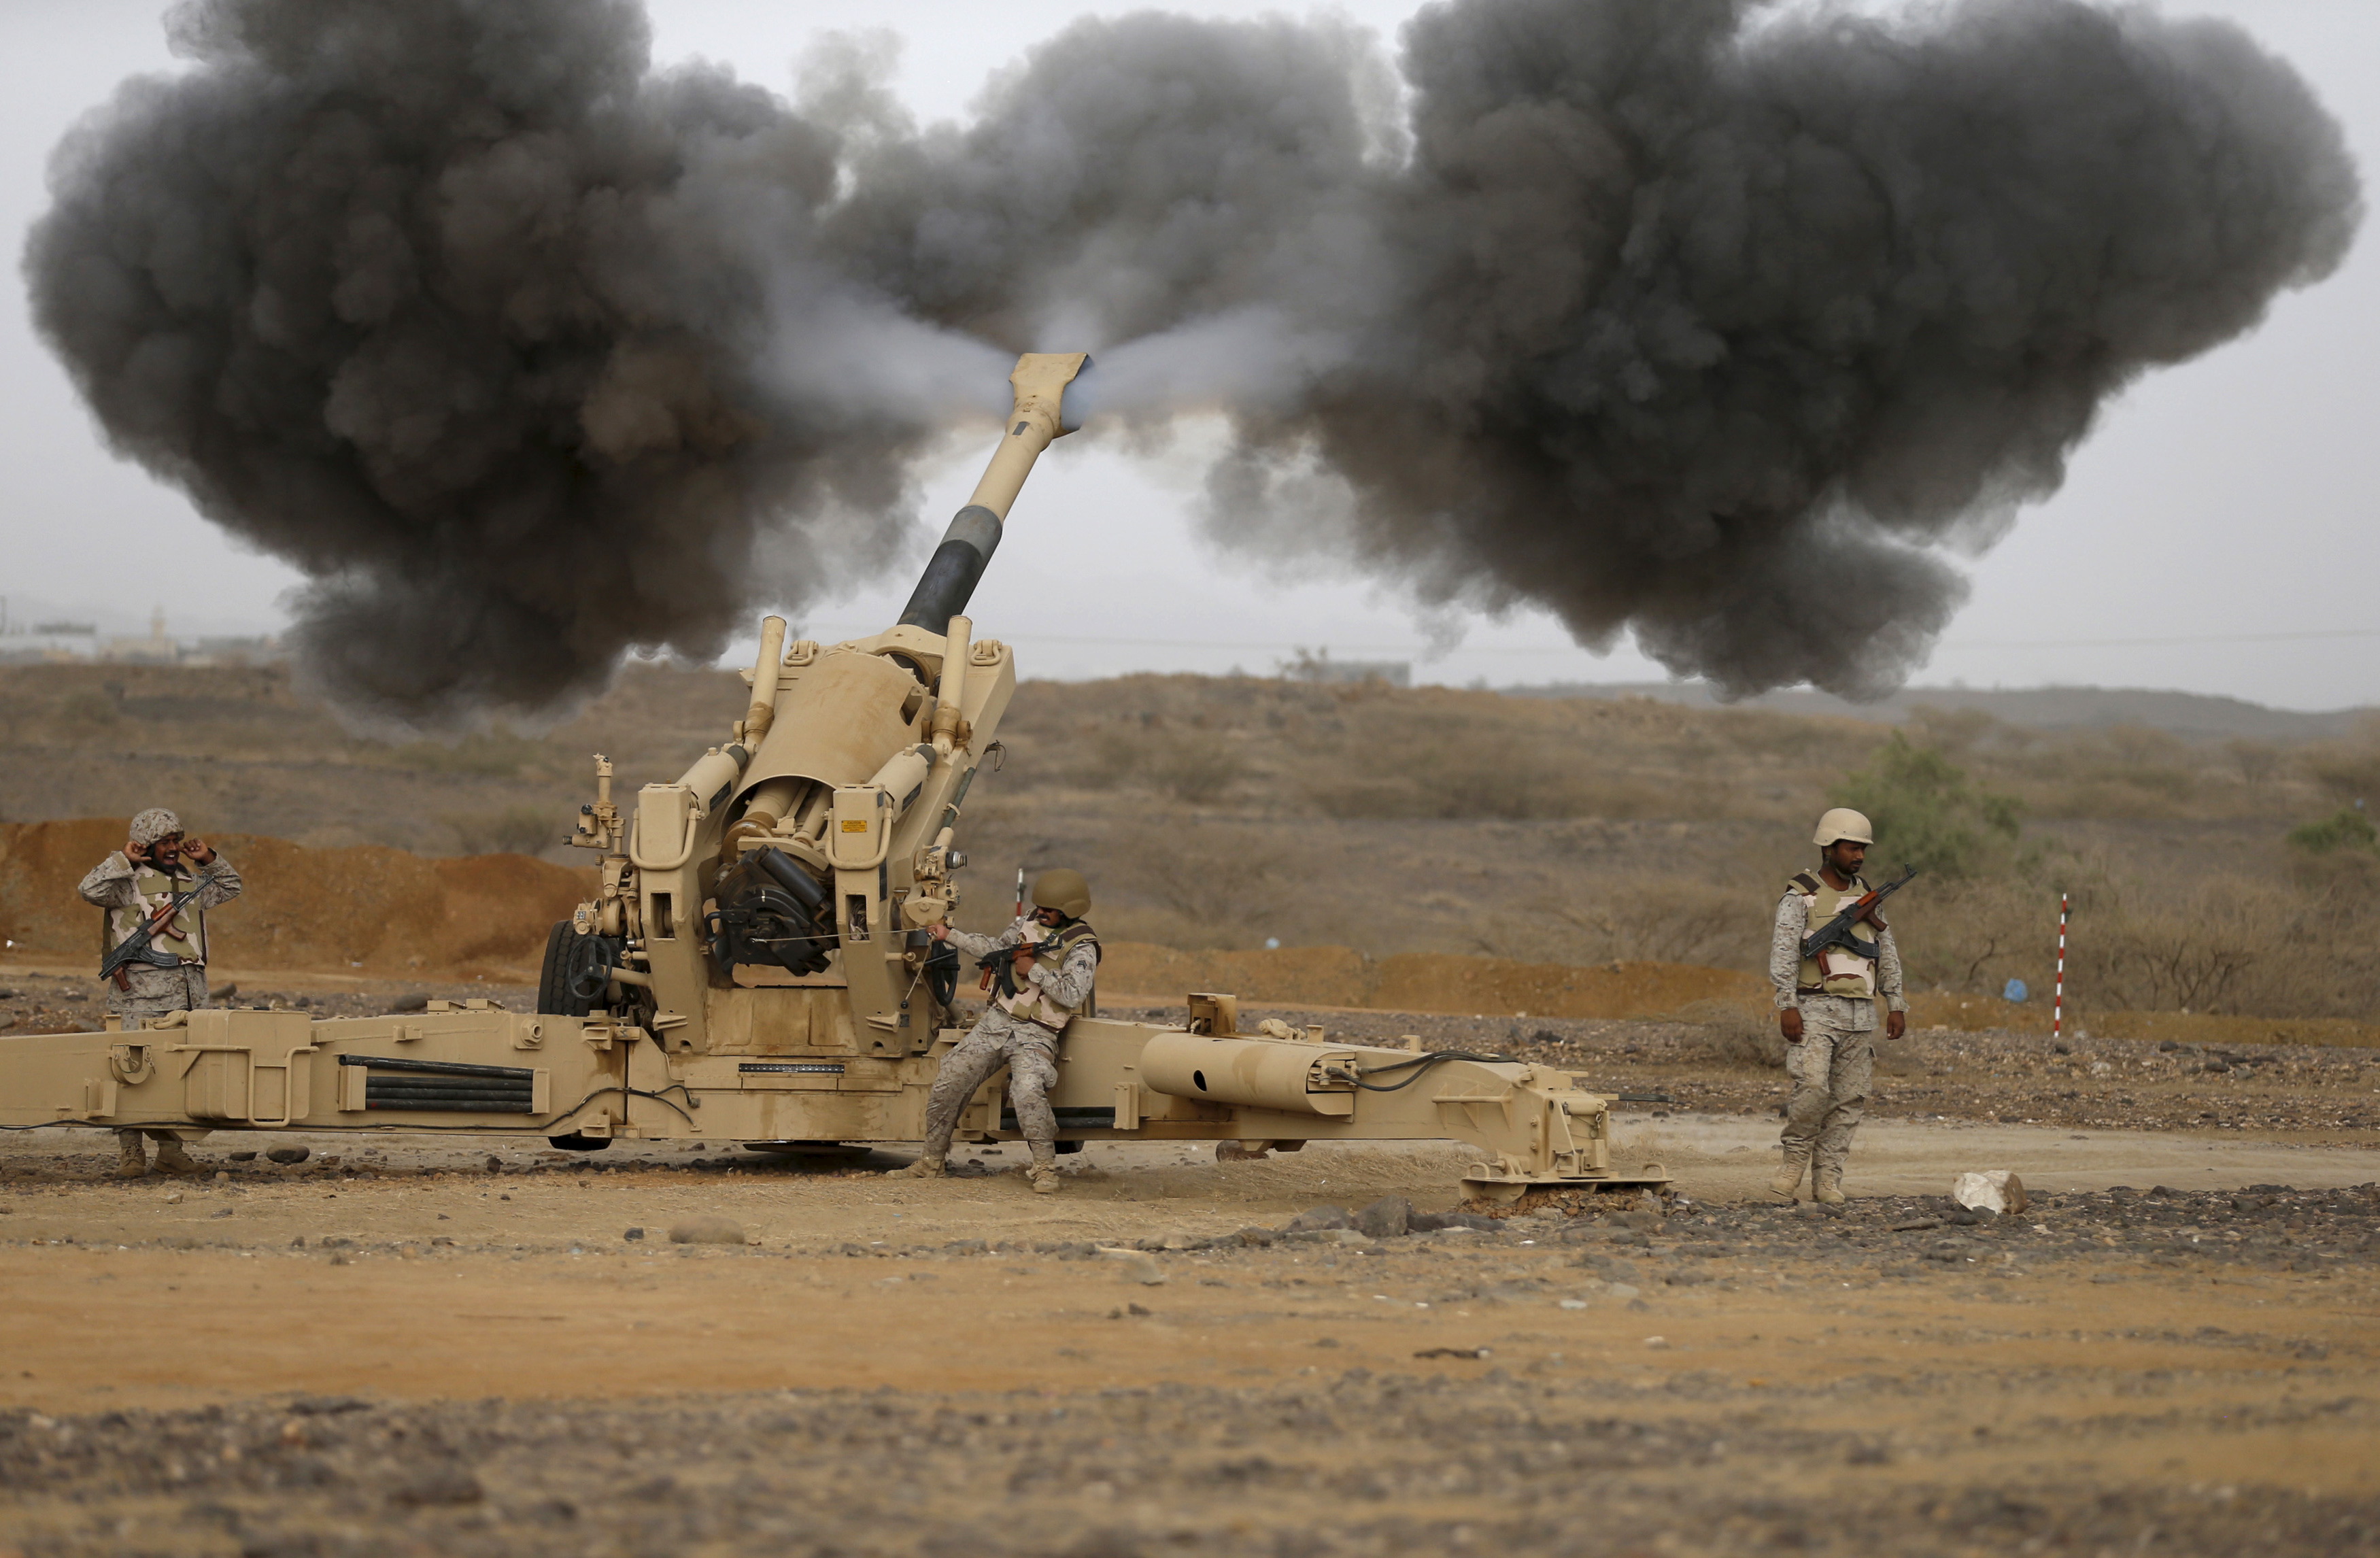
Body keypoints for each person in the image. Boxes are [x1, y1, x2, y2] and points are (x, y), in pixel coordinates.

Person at [896, 869, 1100, 1193]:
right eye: (1040, 907)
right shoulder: (1027, 923)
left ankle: (1045, 1168)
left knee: (1028, 1091)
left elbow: (1073, 994)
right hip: (997, 1024)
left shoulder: (1082, 947)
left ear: (1069, 910)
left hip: (1037, 1033)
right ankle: (931, 1162)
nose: (1041, 912)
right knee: (951, 1075)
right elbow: (993, 947)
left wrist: (1032, 970)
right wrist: (949, 935)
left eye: (1049, 909)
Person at [77, 808, 243, 1179]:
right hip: (140, 994)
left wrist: (209, 859)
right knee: (130, 1070)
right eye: (163, 843)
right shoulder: (126, 881)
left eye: (175, 842)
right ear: (145, 846)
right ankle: (131, 1151)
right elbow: (89, 889)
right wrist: (123, 859)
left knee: (181, 1072)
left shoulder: (189, 878)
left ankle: (171, 1151)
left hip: (190, 993)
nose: (172, 849)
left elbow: (232, 886)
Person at [1769, 808, 1906, 1206]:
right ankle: (1793, 1164)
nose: (1859, 855)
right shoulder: (1801, 897)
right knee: (1812, 1088)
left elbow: (1886, 951)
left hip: (1860, 1014)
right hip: (1813, 1009)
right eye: (1851, 848)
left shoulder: (1868, 898)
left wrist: (1895, 1001)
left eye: (1863, 848)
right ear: (1829, 849)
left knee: (1850, 1100)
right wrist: (1786, 1005)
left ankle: (1827, 1178)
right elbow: (1783, 954)